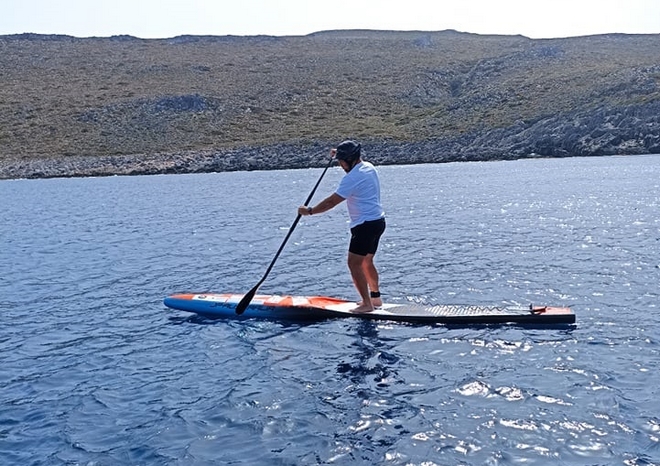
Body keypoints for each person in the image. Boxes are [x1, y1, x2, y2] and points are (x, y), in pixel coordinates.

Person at [298, 140, 386, 313]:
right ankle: (376, 299)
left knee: (354, 264)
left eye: (341, 161)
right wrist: (338, 152)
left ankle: (366, 304)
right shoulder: (369, 167)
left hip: (364, 226)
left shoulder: (352, 178)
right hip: (378, 222)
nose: (340, 165)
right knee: (367, 261)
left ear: (349, 160)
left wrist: (309, 211)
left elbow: (332, 201)